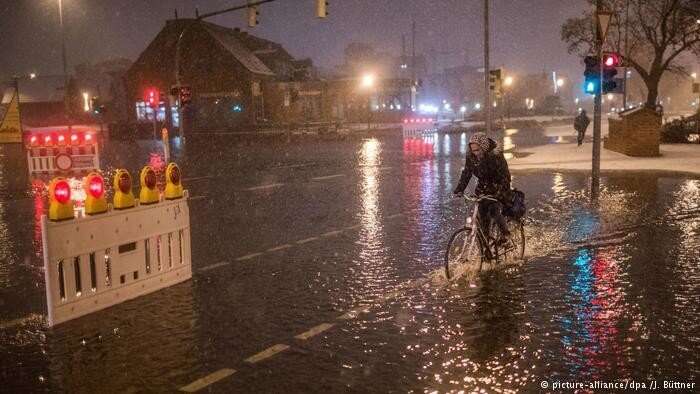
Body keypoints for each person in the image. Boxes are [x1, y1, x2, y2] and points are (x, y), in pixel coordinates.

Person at [453, 132, 513, 243]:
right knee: (482, 215)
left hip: (499, 186)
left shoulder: (496, 156)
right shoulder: (471, 157)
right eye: (473, 150)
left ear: (484, 148)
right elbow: (467, 173)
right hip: (483, 187)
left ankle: (506, 234)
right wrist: (460, 189)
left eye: (478, 150)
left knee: (494, 210)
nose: (475, 153)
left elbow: (504, 176)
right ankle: (486, 248)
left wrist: (499, 194)